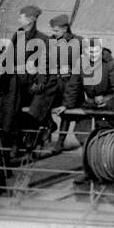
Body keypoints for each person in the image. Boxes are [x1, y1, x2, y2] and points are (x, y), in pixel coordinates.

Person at [0, 6, 52, 161]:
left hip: (28, 83)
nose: (18, 19)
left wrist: (40, 82)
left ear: (31, 19)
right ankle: (8, 139)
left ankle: (9, 141)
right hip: (14, 79)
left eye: (21, 17)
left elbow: (44, 65)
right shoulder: (18, 35)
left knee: (11, 97)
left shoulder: (42, 39)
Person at [60, 40, 114, 158]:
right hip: (91, 103)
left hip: (110, 103)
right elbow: (73, 86)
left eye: (96, 51)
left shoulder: (110, 64)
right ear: (85, 52)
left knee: (108, 131)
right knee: (81, 130)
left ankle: (111, 158)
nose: (93, 55)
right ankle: (90, 156)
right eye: (90, 52)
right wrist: (66, 105)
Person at [43, 14, 84, 152]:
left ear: (65, 28)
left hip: (70, 83)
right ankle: (50, 124)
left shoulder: (78, 41)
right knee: (41, 103)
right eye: (53, 30)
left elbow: (83, 63)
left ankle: (60, 141)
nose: (53, 33)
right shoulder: (49, 42)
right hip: (54, 81)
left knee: (66, 110)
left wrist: (71, 67)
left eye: (56, 30)